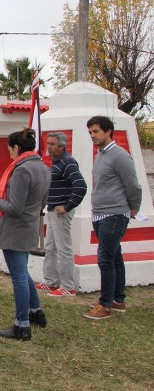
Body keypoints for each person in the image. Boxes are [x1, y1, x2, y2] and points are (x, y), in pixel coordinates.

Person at [0, 128, 50, 341]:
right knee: (23, 273)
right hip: (30, 226)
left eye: (10, 150)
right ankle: (35, 311)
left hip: (16, 229)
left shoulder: (22, 170)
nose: (9, 155)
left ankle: (21, 324)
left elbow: (14, 207)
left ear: (16, 148)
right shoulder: (42, 167)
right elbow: (41, 203)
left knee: (19, 277)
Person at [84, 116, 142, 320]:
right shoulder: (100, 154)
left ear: (108, 131)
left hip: (115, 214)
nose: (92, 135)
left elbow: (133, 185)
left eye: (96, 131)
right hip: (99, 213)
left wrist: (134, 207)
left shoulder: (120, 155)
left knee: (105, 258)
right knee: (115, 255)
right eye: (90, 132)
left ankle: (105, 304)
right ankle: (117, 299)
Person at [36, 132, 87, 297]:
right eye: (48, 143)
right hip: (52, 210)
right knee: (50, 247)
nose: (48, 146)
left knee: (63, 248)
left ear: (62, 146)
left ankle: (68, 286)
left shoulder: (68, 162)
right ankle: (51, 281)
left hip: (60, 213)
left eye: (52, 144)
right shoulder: (56, 162)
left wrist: (67, 206)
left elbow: (81, 186)